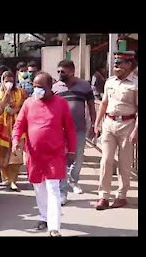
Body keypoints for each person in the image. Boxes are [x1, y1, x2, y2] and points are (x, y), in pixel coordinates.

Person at [12, 71, 77, 237]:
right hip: (34, 154)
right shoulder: (28, 103)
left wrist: (72, 150)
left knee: (53, 188)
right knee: (39, 188)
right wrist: (15, 141)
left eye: (40, 87)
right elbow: (19, 125)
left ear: (50, 87)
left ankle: (54, 227)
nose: (36, 90)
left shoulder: (61, 104)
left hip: (54, 154)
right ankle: (43, 216)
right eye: (34, 87)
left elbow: (70, 128)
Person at [94, 50, 138, 210]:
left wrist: (136, 131)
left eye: (120, 63)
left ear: (129, 64)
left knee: (125, 162)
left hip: (128, 125)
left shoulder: (135, 84)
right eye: (115, 63)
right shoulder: (109, 82)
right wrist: (97, 123)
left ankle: (121, 195)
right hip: (109, 123)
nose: (116, 65)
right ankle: (103, 196)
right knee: (106, 160)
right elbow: (104, 103)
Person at [52, 60, 96, 205]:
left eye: (62, 72)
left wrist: (94, 124)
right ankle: (62, 191)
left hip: (79, 128)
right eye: (58, 71)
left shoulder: (84, 86)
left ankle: (74, 180)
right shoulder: (55, 88)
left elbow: (91, 106)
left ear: (72, 71)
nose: (59, 74)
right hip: (60, 130)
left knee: (78, 157)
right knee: (62, 160)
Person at [0, 70, 27, 191]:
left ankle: (13, 180)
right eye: (6, 81)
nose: (9, 83)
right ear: (2, 82)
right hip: (3, 127)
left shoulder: (21, 93)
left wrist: (16, 109)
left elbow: (25, 106)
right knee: (1, 154)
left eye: (11, 81)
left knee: (16, 155)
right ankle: (6, 178)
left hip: (18, 127)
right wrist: (7, 93)